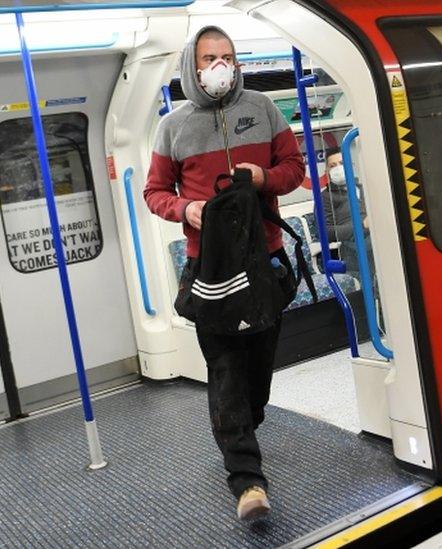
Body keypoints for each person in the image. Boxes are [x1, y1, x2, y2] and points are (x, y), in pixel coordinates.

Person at [143, 26, 304, 521]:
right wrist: (186, 209)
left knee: (257, 378)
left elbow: (294, 168)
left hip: (266, 263)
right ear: (194, 64)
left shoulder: (263, 108)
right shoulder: (173, 126)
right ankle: (247, 482)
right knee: (227, 374)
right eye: (210, 57)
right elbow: (154, 192)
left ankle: (245, 428)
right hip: (210, 269)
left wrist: (263, 178)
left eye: (228, 57)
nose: (220, 66)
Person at [321, 147, 371, 278]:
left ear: (351, 165)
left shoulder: (365, 188)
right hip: (351, 244)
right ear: (327, 172)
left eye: (342, 164)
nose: (338, 168)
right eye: (333, 166)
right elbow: (327, 233)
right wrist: (362, 226)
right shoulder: (325, 197)